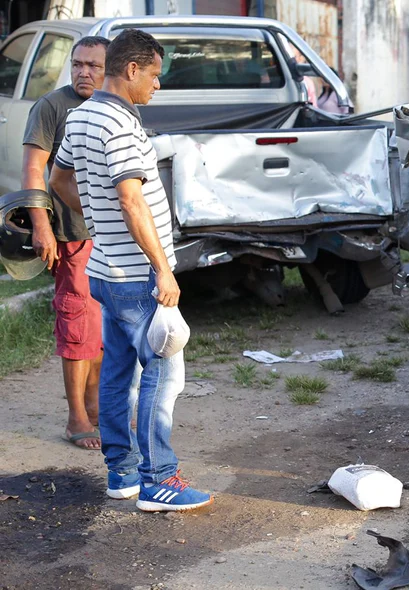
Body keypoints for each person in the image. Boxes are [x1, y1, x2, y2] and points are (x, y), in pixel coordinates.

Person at [50, 29, 213, 512]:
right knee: (165, 374)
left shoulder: (81, 117)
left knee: (120, 374)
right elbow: (130, 197)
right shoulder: (118, 125)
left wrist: (95, 220)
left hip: (105, 269)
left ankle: (121, 473)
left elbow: (58, 178)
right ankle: (159, 480)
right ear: (132, 69)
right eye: (156, 75)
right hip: (137, 276)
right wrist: (164, 270)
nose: (158, 86)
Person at [22, 36, 110, 450]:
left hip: (108, 236)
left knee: (103, 327)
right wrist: (41, 224)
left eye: (93, 65)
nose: (83, 72)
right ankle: (77, 416)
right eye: (77, 64)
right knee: (77, 326)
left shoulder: (111, 107)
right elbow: (33, 169)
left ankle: (95, 405)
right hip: (70, 235)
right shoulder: (52, 107)